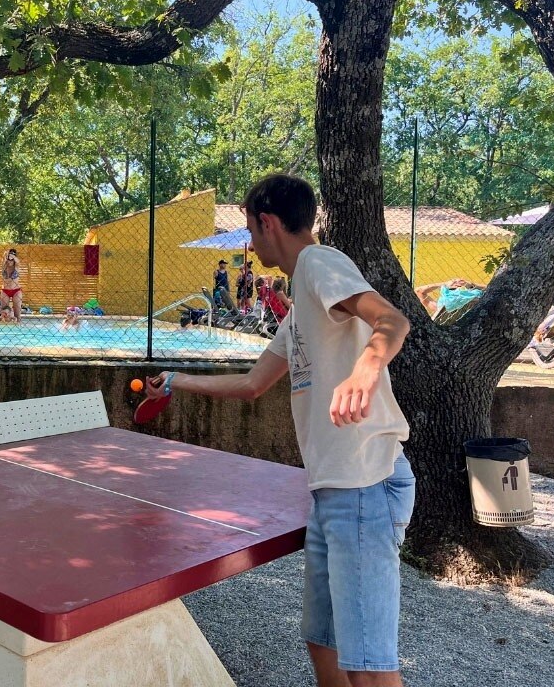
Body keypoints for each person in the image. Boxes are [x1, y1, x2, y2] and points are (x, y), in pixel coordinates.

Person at [146, 174, 413, 687]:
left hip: (365, 486)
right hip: (333, 492)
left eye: (250, 229)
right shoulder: (299, 308)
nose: (250, 242)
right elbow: (252, 383)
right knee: (323, 641)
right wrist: (176, 381)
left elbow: (392, 321)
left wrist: (365, 369)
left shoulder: (319, 263)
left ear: (267, 222)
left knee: (368, 667)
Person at [0, 248, 23, 322]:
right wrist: (6, 255)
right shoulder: (4, 266)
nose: (9, 261)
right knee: (5, 314)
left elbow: (18, 261)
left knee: (17, 314)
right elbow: (3, 259)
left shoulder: (17, 267)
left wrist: (12, 256)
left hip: (16, 291)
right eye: (8, 259)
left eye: (11, 260)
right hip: (5, 291)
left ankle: (18, 326)